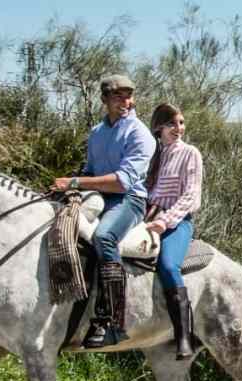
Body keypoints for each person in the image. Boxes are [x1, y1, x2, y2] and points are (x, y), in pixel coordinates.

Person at [52, 74, 156, 348]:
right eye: (119, 96)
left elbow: (123, 182)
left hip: (128, 201)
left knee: (104, 237)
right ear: (105, 99)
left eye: (129, 95)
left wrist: (75, 182)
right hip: (97, 197)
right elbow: (90, 171)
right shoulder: (97, 133)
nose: (127, 101)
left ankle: (111, 320)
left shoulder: (139, 133)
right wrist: (68, 186)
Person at [144, 103, 204, 360]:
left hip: (177, 222)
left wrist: (164, 221)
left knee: (168, 266)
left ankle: (184, 336)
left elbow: (191, 195)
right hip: (148, 218)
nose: (178, 129)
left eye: (181, 123)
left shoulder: (190, 153)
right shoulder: (154, 156)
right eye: (172, 124)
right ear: (159, 128)